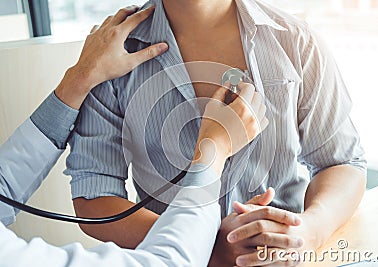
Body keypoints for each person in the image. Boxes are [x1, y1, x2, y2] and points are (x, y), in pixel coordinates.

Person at [66, 0, 367, 266]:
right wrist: (204, 248)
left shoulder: (296, 41)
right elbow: (94, 195)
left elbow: (342, 162)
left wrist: (308, 231)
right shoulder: (112, 54)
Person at [0, 6, 273, 266]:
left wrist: (80, 78)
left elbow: (3, 187)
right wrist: (214, 149)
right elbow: (169, 262)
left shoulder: (290, 38)